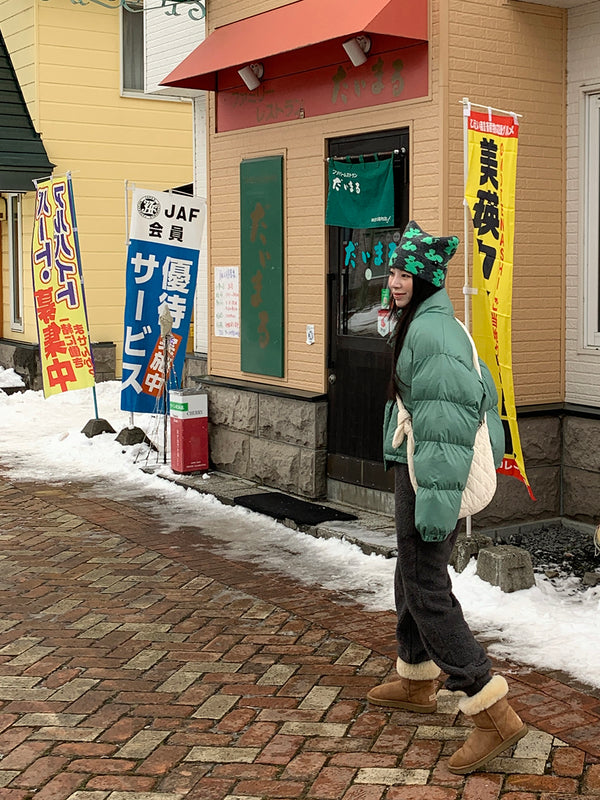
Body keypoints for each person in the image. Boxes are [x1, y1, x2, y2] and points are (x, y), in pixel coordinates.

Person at [367, 220, 528, 775]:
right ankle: (416, 676)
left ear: (428, 278)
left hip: (428, 475)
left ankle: (490, 709)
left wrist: (435, 509)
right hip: (414, 466)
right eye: (392, 270)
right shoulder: (423, 323)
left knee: (427, 585)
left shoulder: (433, 333)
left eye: (406, 273)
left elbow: (446, 427)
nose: (395, 281)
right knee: (409, 574)